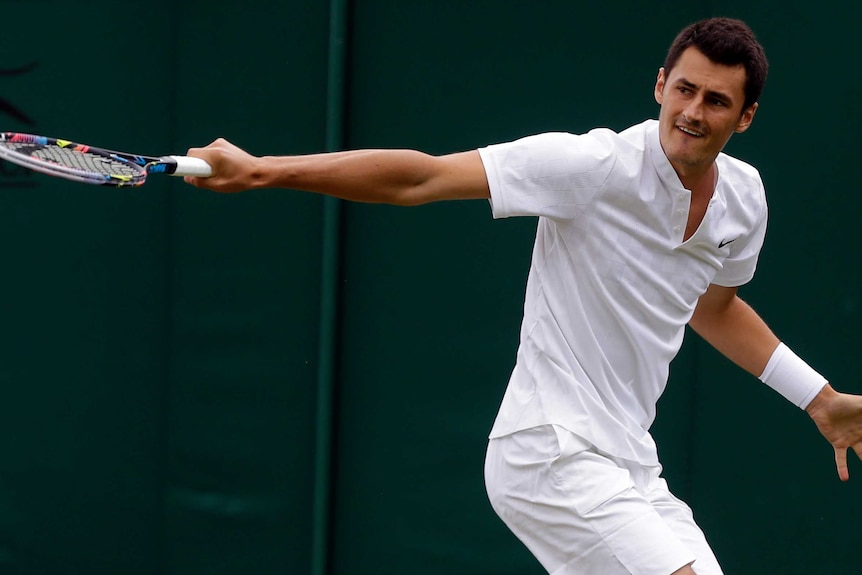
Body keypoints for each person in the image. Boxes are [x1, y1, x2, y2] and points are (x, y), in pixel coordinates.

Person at [183, 17, 862, 575]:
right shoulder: (590, 167)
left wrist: (820, 398)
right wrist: (262, 170)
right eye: (683, 89)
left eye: (716, 101)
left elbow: (713, 308)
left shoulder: (744, 200)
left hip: (631, 464)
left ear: (745, 117)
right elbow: (419, 179)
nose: (692, 111)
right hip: (548, 449)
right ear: (659, 84)